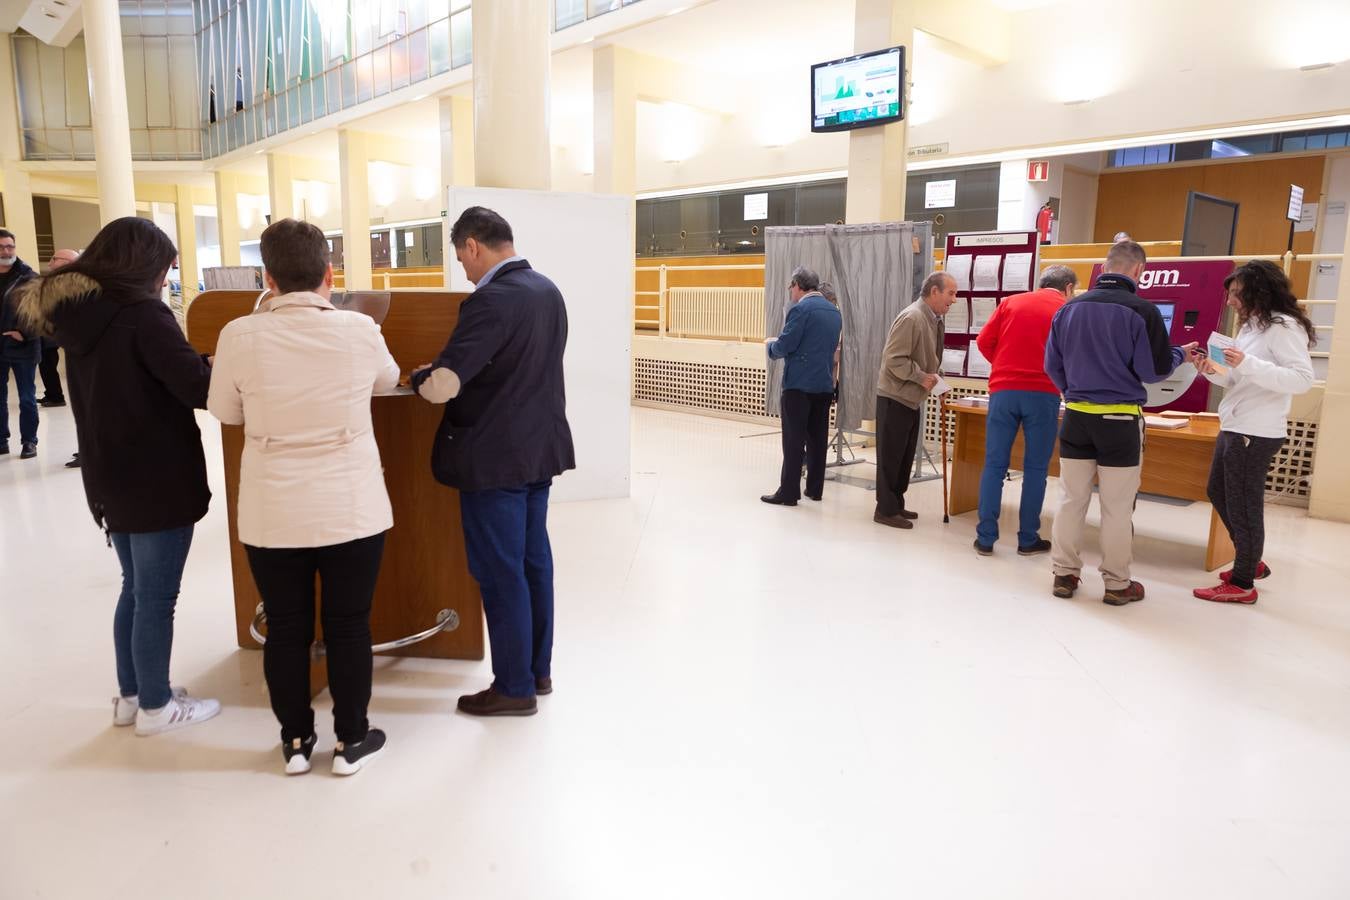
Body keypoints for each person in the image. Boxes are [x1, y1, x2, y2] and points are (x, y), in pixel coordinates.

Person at [208, 219, 400, 775]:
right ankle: (351, 741)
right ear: (328, 274)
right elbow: (386, 383)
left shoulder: (238, 334)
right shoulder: (359, 328)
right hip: (351, 506)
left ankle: (295, 742)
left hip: (273, 510)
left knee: (287, 627)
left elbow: (225, 412)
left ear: (267, 277)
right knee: (348, 625)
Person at [16, 216, 220, 733]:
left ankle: (132, 696)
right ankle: (156, 706)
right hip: (157, 472)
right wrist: (215, 366)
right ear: (144, 265)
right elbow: (196, 388)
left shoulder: (80, 316)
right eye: (165, 268)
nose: (164, 279)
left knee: (134, 587)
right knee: (156, 596)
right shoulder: (142, 315)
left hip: (109, 471)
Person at [412, 207, 574, 717]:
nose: (462, 266)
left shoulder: (490, 301)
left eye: (460, 254)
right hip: (538, 451)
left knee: (500, 571)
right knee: (533, 563)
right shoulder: (548, 289)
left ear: (474, 245)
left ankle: (513, 688)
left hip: (494, 458)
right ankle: (536, 671)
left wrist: (421, 377)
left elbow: (444, 386)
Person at [1043, 240, 1198, 606]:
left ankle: (1064, 574)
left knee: (1070, 499)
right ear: (1139, 272)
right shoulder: (1142, 311)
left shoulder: (1069, 309)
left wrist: (1075, 391)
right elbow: (1154, 369)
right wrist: (1180, 353)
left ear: (1104, 266)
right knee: (1116, 506)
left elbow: (1052, 365)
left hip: (1076, 417)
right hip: (1120, 421)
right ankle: (1116, 584)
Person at [1191, 260, 1315, 604]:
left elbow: (1302, 379)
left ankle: (1243, 582)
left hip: (1256, 430)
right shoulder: (1251, 327)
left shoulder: (1283, 326)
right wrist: (1210, 369)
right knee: (1218, 490)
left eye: (1235, 294)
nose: (1230, 301)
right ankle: (1250, 559)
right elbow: (1233, 379)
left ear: (1257, 291)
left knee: (1244, 505)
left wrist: (1247, 362)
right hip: (1235, 423)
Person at [972, 265, 1077, 556]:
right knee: (1035, 469)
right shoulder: (1067, 310)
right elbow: (1070, 354)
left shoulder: (1010, 302)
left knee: (994, 465)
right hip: (1043, 394)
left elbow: (983, 341)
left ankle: (985, 538)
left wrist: (1004, 366)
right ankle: (1028, 538)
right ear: (1068, 288)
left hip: (1003, 391)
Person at [874, 271, 956, 529]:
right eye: (950, 293)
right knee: (890, 457)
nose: (954, 299)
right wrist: (921, 377)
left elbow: (930, 359)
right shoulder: (912, 317)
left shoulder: (934, 319)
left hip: (911, 398)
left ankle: (896, 503)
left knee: (904, 456)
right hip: (895, 397)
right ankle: (885, 510)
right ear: (934, 292)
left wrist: (938, 381)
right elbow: (894, 359)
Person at [761, 267, 842, 506]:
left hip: (799, 385)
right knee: (817, 439)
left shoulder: (800, 310)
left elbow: (787, 344)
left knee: (793, 440)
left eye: (791, 287)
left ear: (797, 285)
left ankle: (788, 493)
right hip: (824, 385)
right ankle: (815, 489)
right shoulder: (834, 312)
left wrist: (770, 348)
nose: (790, 292)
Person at [0, 228, 40, 459]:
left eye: (10, 246)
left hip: (22, 346)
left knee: (27, 397)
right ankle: (1, 440)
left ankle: (29, 442)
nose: (7, 251)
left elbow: (42, 312)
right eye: (2, 247)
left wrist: (24, 333)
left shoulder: (28, 277)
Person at [37, 248, 80, 409]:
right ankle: (52, 394)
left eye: (54, 259)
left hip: (58, 334)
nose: (50, 262)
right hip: (51, 332)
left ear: (67, 262)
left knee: (48, 364)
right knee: (47, 364)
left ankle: (56, 396)